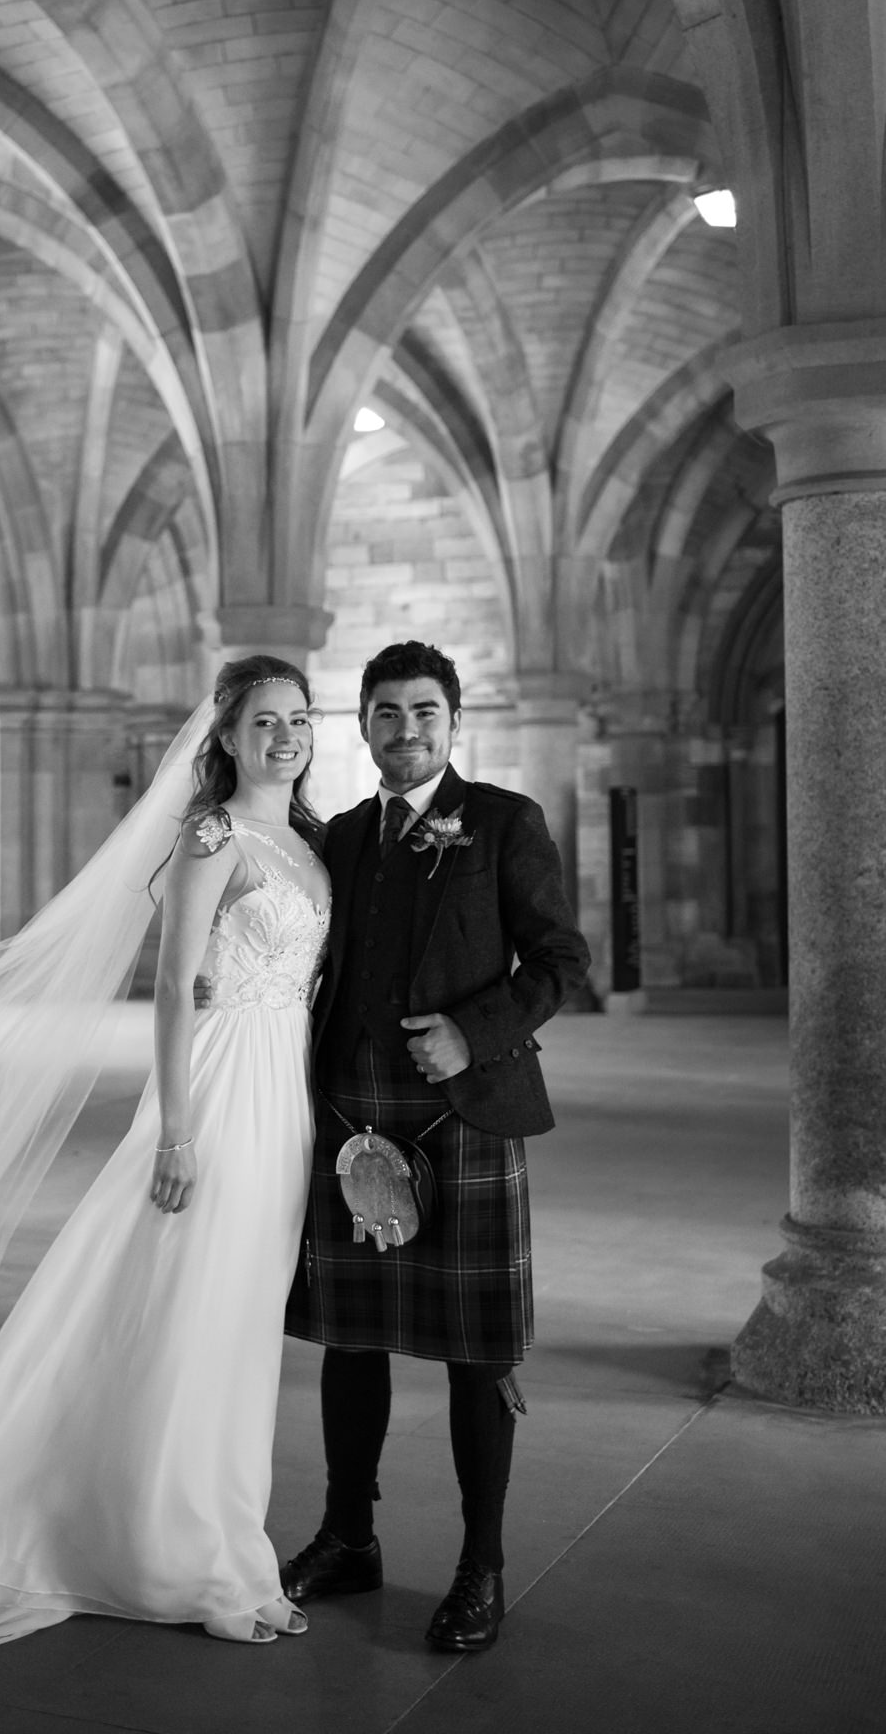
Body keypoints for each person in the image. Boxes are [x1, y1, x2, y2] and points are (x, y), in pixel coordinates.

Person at [0, 656, 331, 1652]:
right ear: (223, 737)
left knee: (235, 1323)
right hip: (220, 1091)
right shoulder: (210, 835)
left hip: (287, 1098)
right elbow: (170, 987)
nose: (286, 736)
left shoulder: (309, 843)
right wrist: (175, 1131)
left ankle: (217, 1530)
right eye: (264, 721)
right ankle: (178, 1550)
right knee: (184, 1307)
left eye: (298, 718)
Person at [282, 640, 590, 1653]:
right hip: (346, 1109)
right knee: (349, 1338)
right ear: (359, 724)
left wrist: (476, 1027)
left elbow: (559, 959)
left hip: (461, 1112)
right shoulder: (336, 836)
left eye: (421, 711)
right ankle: (345, 1532)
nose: (402, 729)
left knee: (471, 1352)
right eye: (383, 712)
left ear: (453, 720)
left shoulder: (503, 822)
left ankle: (479, 1563)